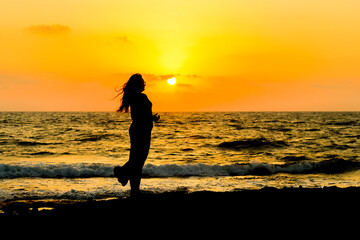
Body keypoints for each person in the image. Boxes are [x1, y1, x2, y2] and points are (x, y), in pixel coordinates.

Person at [113, 73, 160, 197]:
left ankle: (133, 189)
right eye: (142, 82)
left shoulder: (135, 98)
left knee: (136, 160)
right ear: (138, 84)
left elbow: (139, 115)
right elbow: (139, 116)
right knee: (138, 162)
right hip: (142, 130)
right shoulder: (141, 97)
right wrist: (150, 119)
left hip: (137, 129)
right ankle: (122, 173)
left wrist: (151, 118)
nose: (144, 84)